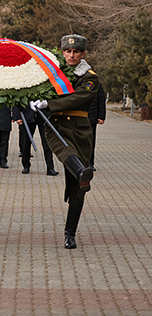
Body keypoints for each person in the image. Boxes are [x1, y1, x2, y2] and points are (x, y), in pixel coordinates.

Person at [29, 34, 97, 250]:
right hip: (56, 127)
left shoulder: (90, 77)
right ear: (62, 52)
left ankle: (70, 233)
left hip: (80, 129)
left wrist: (49, 102)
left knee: (78, 187)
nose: (71, 55)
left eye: (76, 52)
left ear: (83, 54)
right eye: (67, 51)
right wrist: (30, 99)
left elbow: (77, 97)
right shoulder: (52, 73)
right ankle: (82, 171)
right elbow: (33, 85)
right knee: (66, 153)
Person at [12, 106, 59, 176]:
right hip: (27, 115)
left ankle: (50, 168)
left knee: (47, 143)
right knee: (25, 142)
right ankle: (26, 165)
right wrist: (17, 116)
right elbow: (16, 99)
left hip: (43, 115)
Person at [88, 81, 106, 170]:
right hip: (79, 117)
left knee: (91, 141)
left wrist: (101, 117)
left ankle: (90, 163)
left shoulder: (97, 84)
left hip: (92, 117)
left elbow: (101, 100)